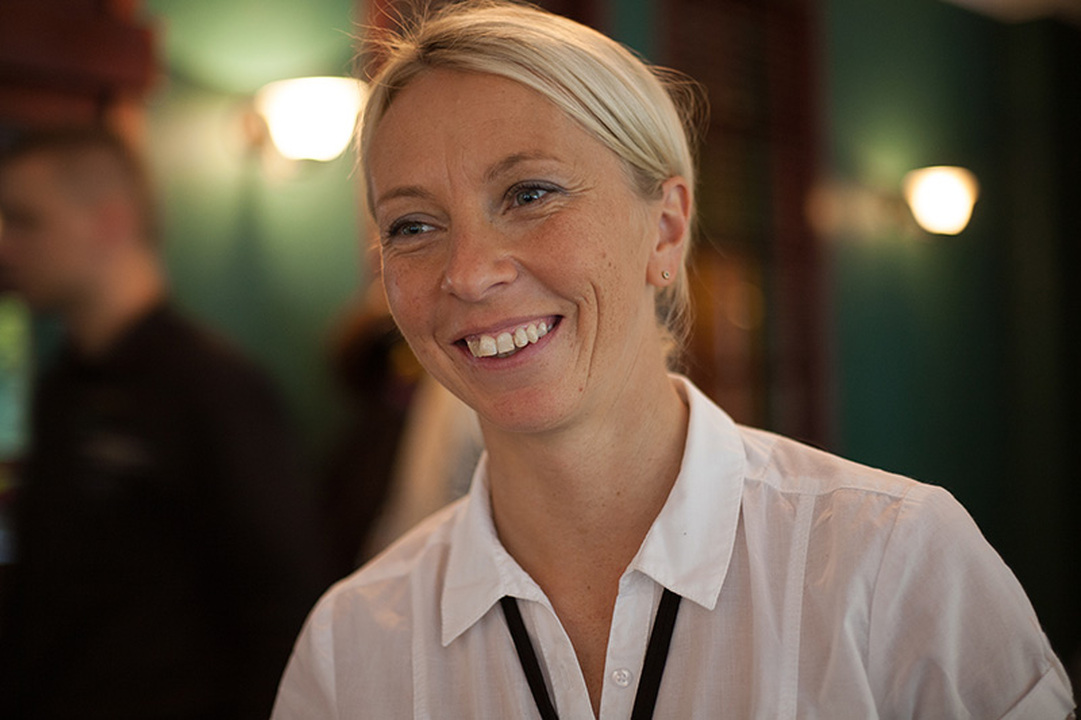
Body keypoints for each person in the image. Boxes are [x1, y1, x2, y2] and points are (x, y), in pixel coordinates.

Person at [272, 2, 1076, 718]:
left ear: (664, 229)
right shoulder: (351, 648)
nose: (469, 272)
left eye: (530, 194)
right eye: (412, 226)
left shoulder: (892, 563)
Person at [0, 127, 329, 719]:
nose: (6, 244)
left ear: (109, 222)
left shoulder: (211, 386)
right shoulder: (61, 386)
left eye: (24, 220)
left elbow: (282, 603)